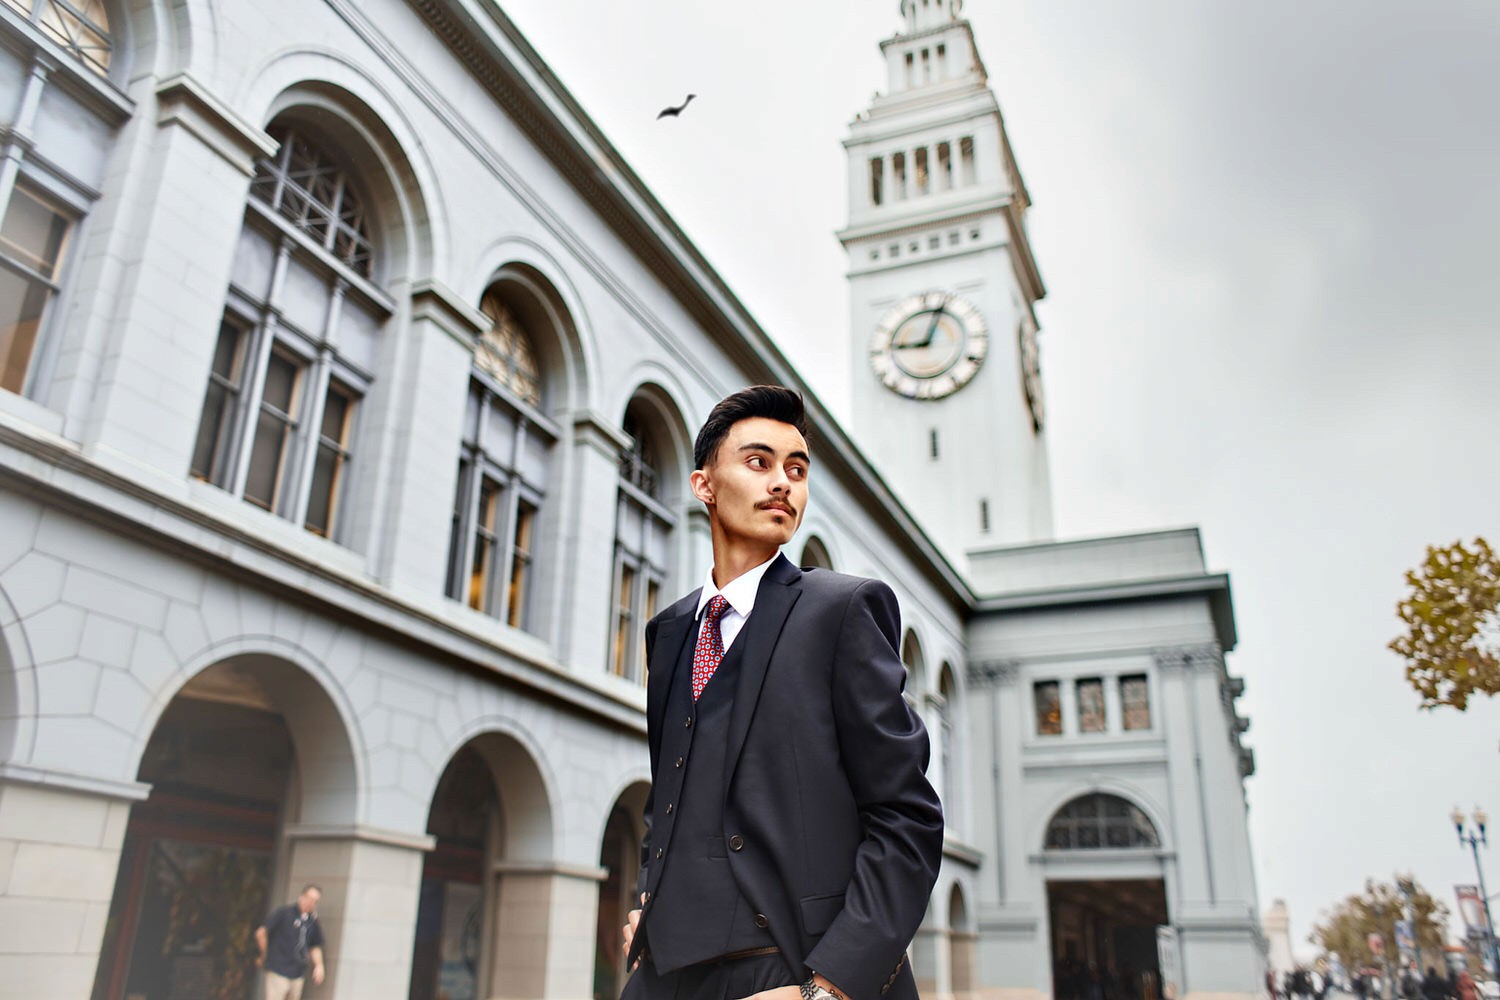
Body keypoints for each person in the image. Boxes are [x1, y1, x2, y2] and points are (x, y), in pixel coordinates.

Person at [620, 386, 944, 1000]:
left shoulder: (842, 610)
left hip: (790, 971)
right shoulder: (667, 633)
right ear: (704, 485)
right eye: (758, 462)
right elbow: (669, 798)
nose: (783, 483)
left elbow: (906, 818)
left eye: (796, 469)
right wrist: (649, 900)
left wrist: (828, 988)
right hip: (667, 976)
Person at [255, 884, 326, 1000]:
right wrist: (264, 954)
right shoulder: (284, 913)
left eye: (315, 901)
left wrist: (319, 965)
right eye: (309, 898)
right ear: (302, 896)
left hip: (297, 972)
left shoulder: (312, 922)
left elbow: (315, 945)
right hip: (278, 968)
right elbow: (261, 933)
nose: (310, 903)